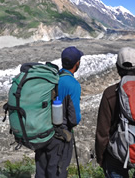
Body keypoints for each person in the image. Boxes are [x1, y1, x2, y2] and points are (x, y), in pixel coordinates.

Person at [95, 47, 135, 178]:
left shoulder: (110, 94)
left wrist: (101, 157)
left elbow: (103, 132)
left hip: (117, 153)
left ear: (117, 67)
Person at [35, 46, 83, 178]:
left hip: (43, 133)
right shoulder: (73, 84)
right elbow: (74, 119)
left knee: (41, 172)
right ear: (77, 63)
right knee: (57, 172)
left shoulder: (51, 78)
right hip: (60, 138)